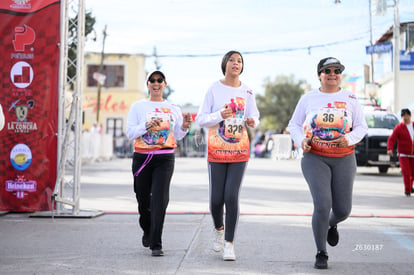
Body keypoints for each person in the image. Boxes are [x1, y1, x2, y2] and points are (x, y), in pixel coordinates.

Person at [288, 57, 368, 269]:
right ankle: (321, 252)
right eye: (328, 71)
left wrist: (349, 139)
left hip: (344, 158)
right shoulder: (308, 98)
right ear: (319, 75)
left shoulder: (350, 97)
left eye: (337, 71)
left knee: (342, 210)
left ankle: (331, 224)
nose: (332, 74)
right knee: (322, 205)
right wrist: (301, 141)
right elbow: (294, 124)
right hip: (315, 157)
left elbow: (362, 127)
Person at [195, 50, 260, 261]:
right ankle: (218, 229)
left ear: (242, 66)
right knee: (216, 200)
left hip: (239, 149)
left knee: (231, 196)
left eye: (239, 61)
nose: (235, 63)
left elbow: (254, 115)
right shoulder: (214, 89)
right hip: (216, 150)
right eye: (232, 60)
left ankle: (229, 244)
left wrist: (252, 121)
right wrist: (219, 115)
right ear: (224, 64)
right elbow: (201, 119)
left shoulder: (247, 91)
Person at [126, 70, 192, 256]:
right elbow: (130, 133)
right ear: (147, 84)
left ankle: (156, 243)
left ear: (164, 84)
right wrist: (146, 126)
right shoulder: (138, 107)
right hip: (142, 157)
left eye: (159, 80)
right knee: (143, 200)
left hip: (164, 157)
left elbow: (178, 134)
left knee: (159, 200)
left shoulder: (173, 108)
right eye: (152, 80)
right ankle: (147, 229)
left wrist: (185, 126)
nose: (156, 83)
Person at [387, 108, 414, 196]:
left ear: (410, 116)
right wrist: (390, 148)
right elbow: (392, 139)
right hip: (403, 154)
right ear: (402, 117)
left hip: (413, 154)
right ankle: (407, 190)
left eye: (407, 116)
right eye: (404, 116)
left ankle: (410, 186)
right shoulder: (399, 127)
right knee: (406, 172)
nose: (406, 118)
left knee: (413, 173)